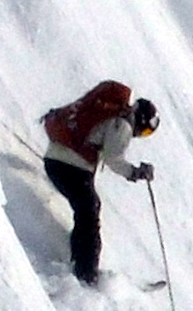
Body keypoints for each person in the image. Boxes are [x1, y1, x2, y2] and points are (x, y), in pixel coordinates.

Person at [41, 80, 157, 286]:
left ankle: (82, 263)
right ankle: (86, 274)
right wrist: (136, 172)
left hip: (56, 160)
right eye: (146, 131)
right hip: (72, 168)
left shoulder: (108, 111)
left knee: (87, 208)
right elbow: (113, 158)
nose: (141, 135)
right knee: (89, 212)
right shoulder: (123, 124)